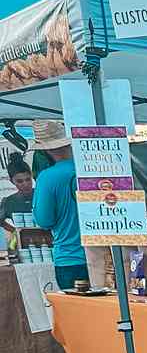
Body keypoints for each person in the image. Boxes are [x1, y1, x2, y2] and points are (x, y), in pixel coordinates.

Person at [30, 120, 88, 291]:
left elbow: (44, 220)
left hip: (70, 257)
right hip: (106, 256)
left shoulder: (47, 178)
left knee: (77, 314)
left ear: (46, 150)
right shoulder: (90, 170)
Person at [2, 158, 35, 248]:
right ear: (12, 181)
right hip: (24, 245)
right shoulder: (8, 202)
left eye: (28, 179)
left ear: (32, 176)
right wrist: (14, 230)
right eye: (20, 181)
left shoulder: (42, 195)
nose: (25, 184)